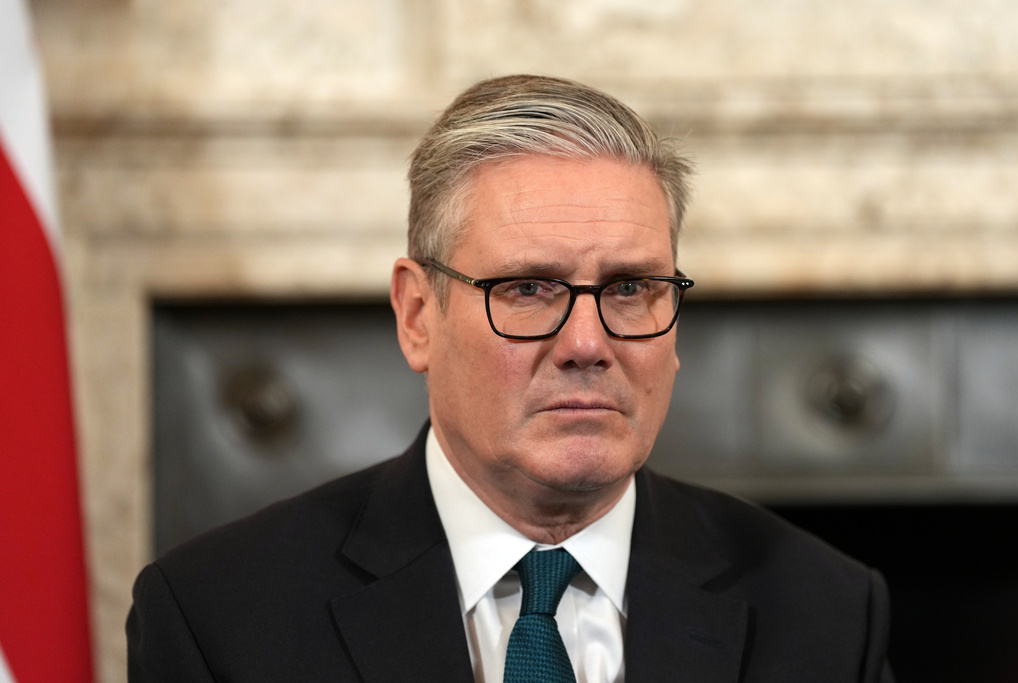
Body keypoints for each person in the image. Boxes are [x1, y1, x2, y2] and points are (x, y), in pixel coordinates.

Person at [127, 74, 894, 682]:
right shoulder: (219, 615)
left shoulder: (825, 610)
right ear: (418, 314)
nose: (588, 342)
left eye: (631, 288)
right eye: (528, 289)